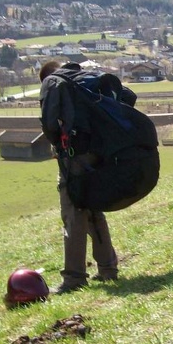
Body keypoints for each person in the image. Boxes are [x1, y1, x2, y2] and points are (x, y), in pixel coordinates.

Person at [39, 60, 119, 294]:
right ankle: (108, 269)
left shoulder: (53, 84)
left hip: (74, 158)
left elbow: (50, 126)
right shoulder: (87, 79)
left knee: (73, 214)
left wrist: (59, 147)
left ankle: (74, 278)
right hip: (99, 155)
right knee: (94, 211)